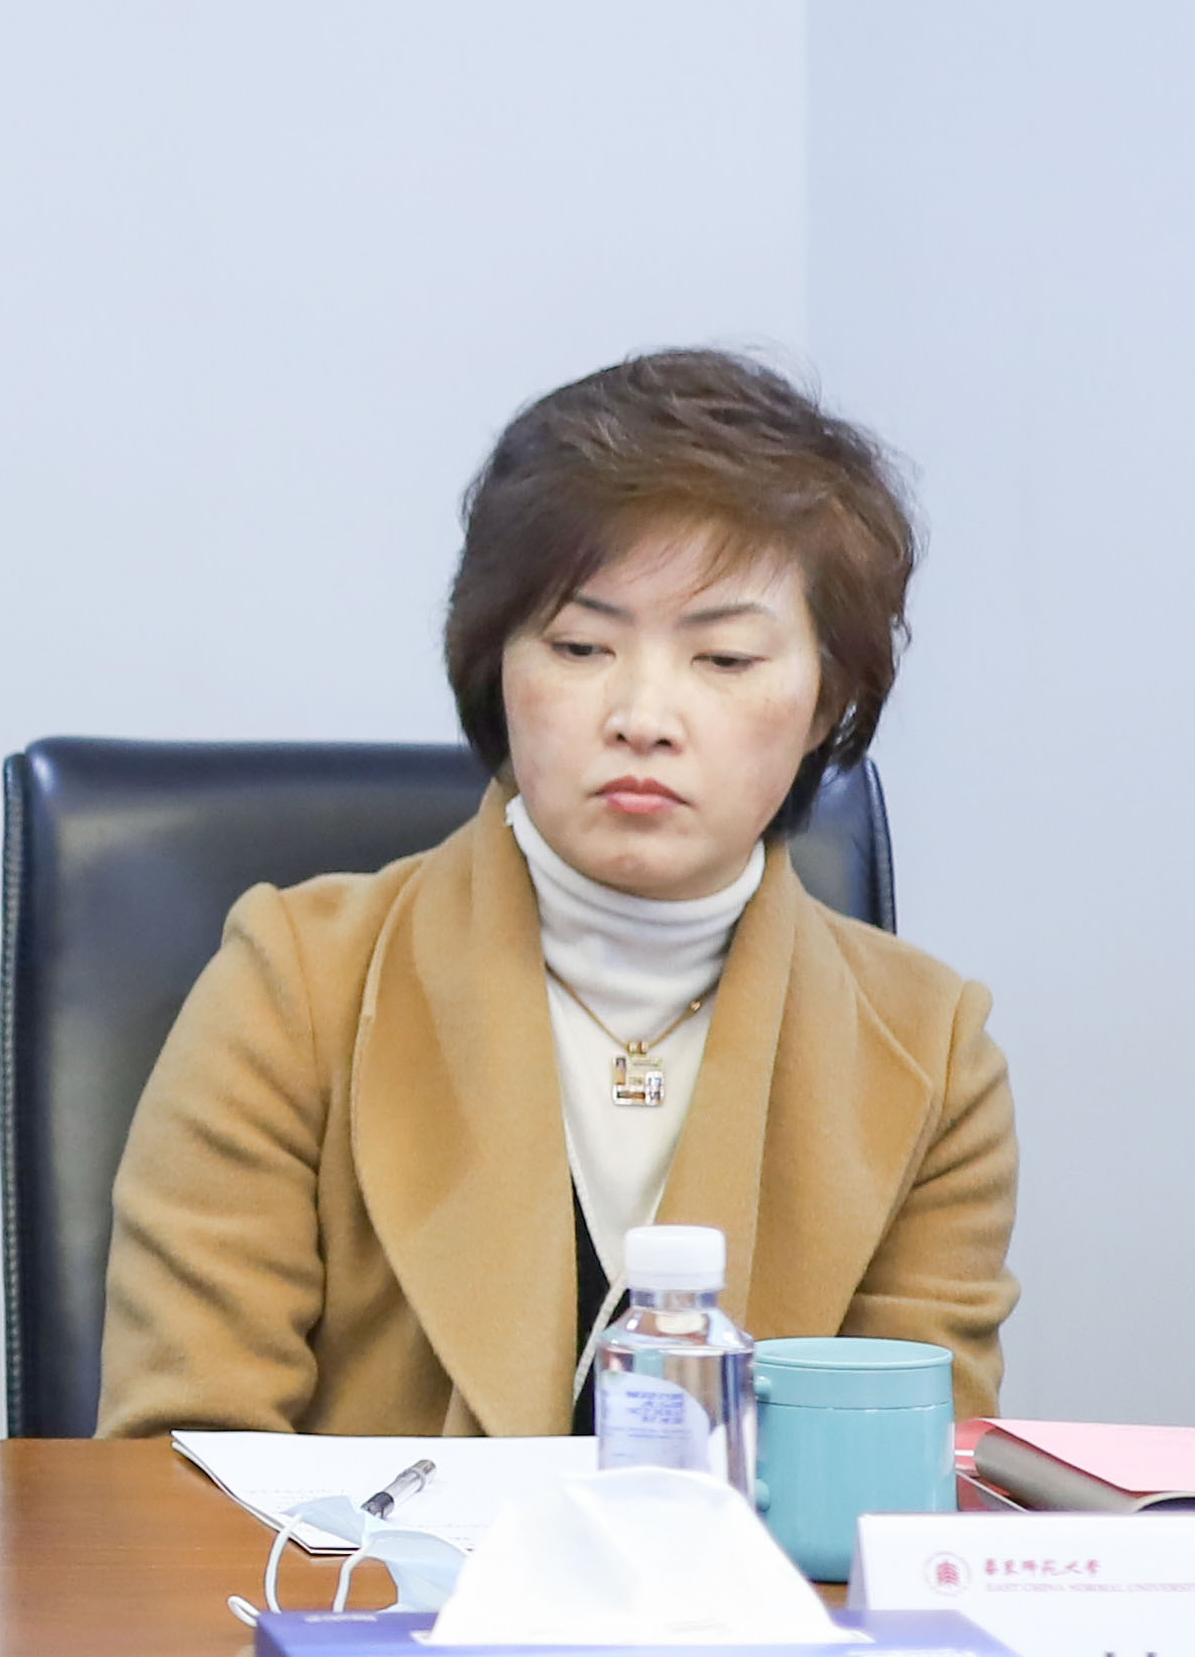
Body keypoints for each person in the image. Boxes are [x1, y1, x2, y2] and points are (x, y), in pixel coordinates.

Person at [100, 349, 1014, 1439]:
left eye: (724, 659)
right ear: (500, 667)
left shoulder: (932, 1054)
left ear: (827, 701)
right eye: (581, 645)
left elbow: (902, 1482)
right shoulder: (292, 986)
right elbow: (182, 1462)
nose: (643, 717)